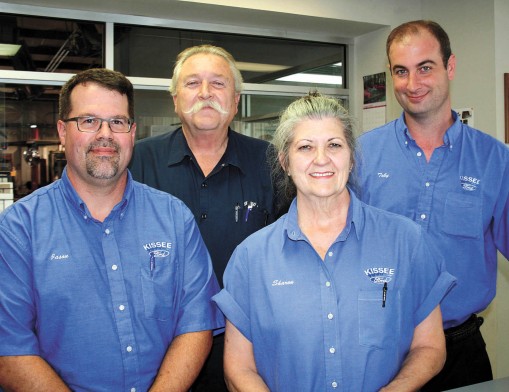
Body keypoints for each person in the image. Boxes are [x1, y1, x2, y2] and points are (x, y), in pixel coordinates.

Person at [213, 92, 456, 391]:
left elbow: (430, 348)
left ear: (351, 157)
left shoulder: (406, 242)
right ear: (285, 161)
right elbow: (238, 368)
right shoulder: (251, 258)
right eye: (305, 147)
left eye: (334, 145)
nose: (321, 159)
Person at [0, 68, 223, 391]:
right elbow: (9, 348)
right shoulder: (20, 227)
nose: (105, 134)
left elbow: (196, 325)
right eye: (89, 121)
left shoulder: (174, 218)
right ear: (63, 131)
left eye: (117, 122)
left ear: (132, 132)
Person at [356, 20, 509, 391]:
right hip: (378, 349)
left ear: (450, 66)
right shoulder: (361, 155)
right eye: (401, 71)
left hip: (461, 351)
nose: (413, 83)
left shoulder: (494, 160)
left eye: (425, 67)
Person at [129, 45, 278, 391]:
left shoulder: (272, 164)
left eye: (218, 83)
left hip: (250, 347)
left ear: (236, 100)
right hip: (159, 349)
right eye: (193, 83)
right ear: (175, 99)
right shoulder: (136, 163)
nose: (206, 93)